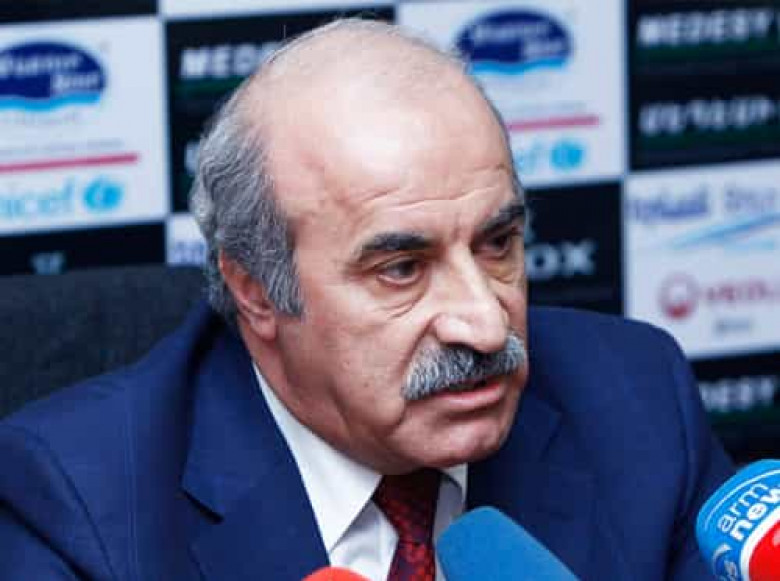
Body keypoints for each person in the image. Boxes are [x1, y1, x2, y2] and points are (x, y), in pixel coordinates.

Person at [0, 19, 733, 580]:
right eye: (402, 269)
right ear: (255, 290)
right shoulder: (80, 504)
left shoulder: (636, 403)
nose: (485, 324)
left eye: (497, 243)